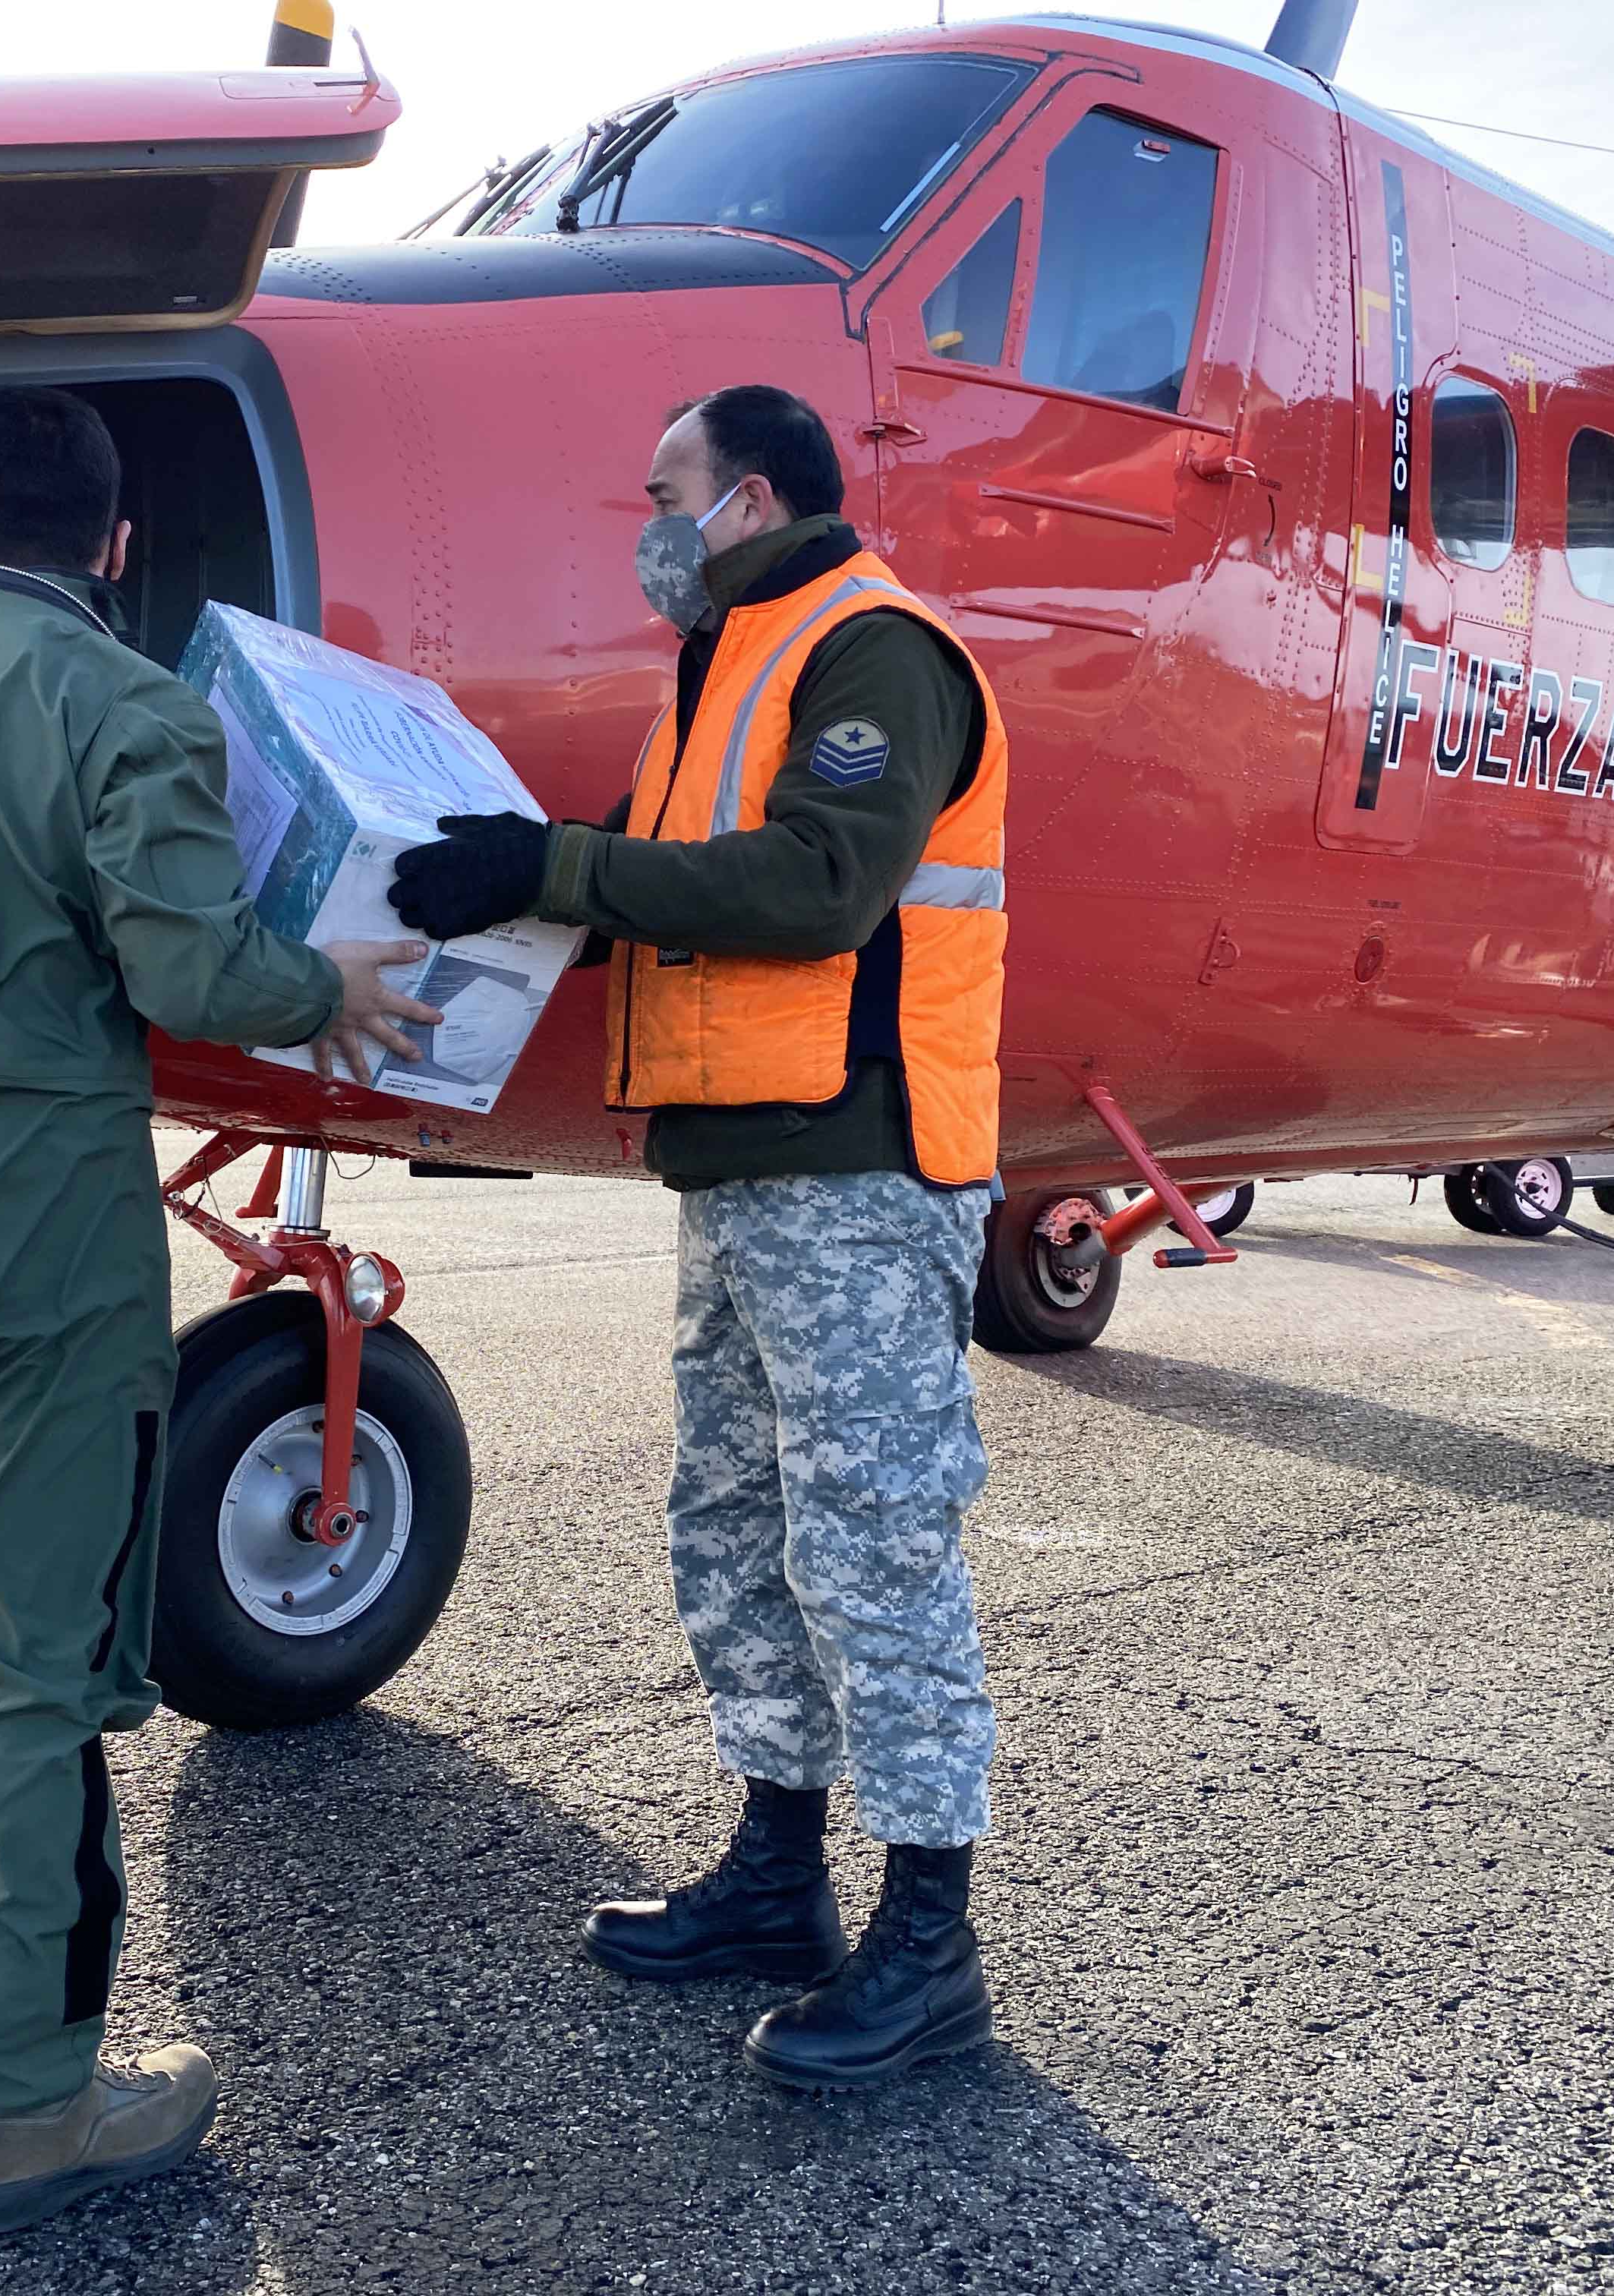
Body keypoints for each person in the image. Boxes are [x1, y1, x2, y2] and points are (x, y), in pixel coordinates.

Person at [0, 385, 439, 2231]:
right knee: (36, 1671)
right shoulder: (130, 708)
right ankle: (23, 2107)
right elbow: (191, 963)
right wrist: (337, 986)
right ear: (113, 546)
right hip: (29, 1240)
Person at [390, 383, 1009, 2090]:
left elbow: (816, 886)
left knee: (874, 1543)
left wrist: (562, 866)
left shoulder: (872, 650)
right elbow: (672, 899)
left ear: (745, 497)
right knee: (736, 1522)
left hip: (860, 1171)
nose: (646, 526)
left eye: (662, 492)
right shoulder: (723, 667)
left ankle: (934, 1937)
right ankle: (777, 1877)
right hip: (741, 1173)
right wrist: (511, 887)